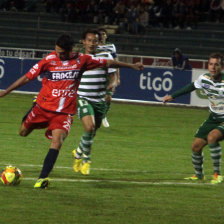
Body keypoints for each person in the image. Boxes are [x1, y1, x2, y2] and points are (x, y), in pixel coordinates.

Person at [0, 33, 144, 189]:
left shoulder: (82, 60)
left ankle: (42, 179)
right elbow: (28, 77)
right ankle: (33, 108)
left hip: (64, 113)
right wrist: (6, 91)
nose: (58, 55)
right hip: (42, 107)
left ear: (70, 50)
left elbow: (108, 62)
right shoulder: (49, 60)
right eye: (57, 51)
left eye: (62, 53)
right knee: (23, 132)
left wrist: (131, 66)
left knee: (57, 141)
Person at [163, 52, 224, 184]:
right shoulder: (205, 78)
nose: (213, 67)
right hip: (213, 117)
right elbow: (191, 86)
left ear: (222, 66)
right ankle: (198, 175)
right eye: (211, 64)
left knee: (212, 137)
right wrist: (173, 96)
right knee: (196, 146)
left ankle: (217, 174)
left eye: (217, 65)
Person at [72, 29, 116, 175]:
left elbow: (112, 76)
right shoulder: (77, 58)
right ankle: (86, 160)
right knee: (89, 127)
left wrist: (109, 90)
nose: (91, 43)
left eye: (94, 41)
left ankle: (78, 152)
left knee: (92, 131)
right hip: (83, 98)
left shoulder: (106, 56)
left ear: (99, 42)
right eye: (89, 40)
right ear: (83, 41)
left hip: (99, 100)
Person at [97, 28, 120, 128]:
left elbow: (116, 61)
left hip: (109, 75)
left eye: (104, 34)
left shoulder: (111, 46)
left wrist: (117, 77)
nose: (102, 36)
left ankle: (103, 116)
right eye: (100, 34)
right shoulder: (94, 46)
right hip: (97, 74)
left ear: (106, 36)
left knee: (108, 97)